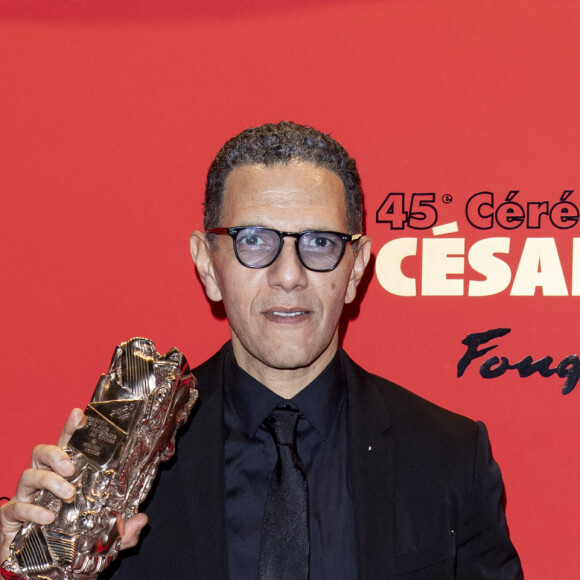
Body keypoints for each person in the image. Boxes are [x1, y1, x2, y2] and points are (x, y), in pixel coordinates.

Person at [0, 121, 522, 579]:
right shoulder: (123, 463)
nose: (289, 275)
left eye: (319, 242)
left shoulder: (450, 458)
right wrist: (46, 563)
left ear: (357, 266)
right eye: (254, 240)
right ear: (208, 264)